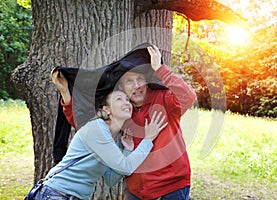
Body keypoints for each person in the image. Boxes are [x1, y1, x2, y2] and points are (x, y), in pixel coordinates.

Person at [58, 44, 197, 199]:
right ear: (122, 88)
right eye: (129, 81)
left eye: (139, 79)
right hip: (136, 191)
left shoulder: (164, 99)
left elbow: (189, 97)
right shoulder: (123, 113)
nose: (136, 86)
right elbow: (84, 125)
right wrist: (66, 96)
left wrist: (160, 69)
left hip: (171, 187)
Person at [35, 74, 168, 199]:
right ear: (107, 109)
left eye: (127, 100)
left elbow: (110, 179)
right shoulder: (96, 128)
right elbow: (126, 167)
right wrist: (148, 139)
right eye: (119, 99)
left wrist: (127, 151)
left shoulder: (117, 139)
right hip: (56, 193)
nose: (127, 103)